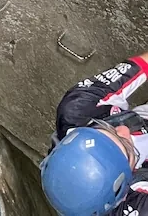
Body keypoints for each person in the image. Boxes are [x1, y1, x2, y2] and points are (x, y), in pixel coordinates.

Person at [40, 52, 148, 215]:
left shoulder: (78, 109)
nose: (125, 130)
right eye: (127, 148)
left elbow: (141, 65)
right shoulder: (138, 207)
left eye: (105, 128)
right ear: (123, 188)